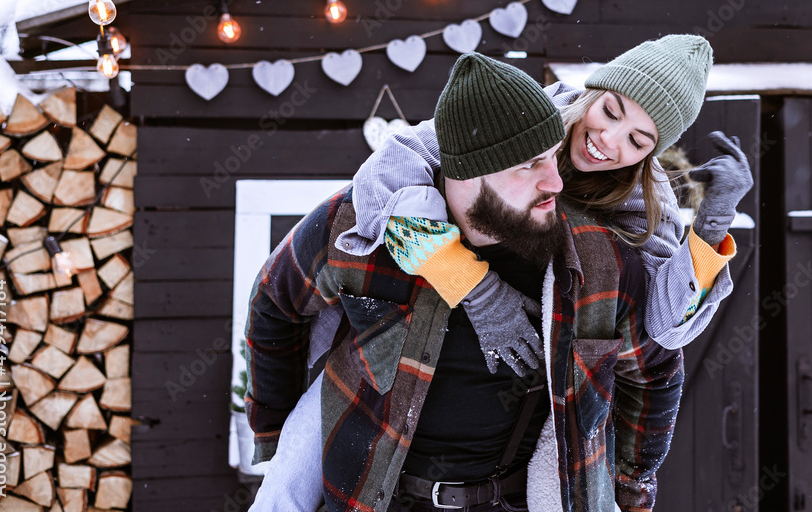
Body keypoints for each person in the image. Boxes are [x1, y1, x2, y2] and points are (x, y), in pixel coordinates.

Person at [245, 52, 684, 511]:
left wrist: (631, 491)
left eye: (553, 157)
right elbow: (276, 301)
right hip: (368, 498)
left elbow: (654, 368)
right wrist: (278, 436)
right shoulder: (363, 227)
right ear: (472, 169)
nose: (557, 182)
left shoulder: (596, 260)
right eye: (531, 164)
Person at [338, 34, 752, 372]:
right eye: (610, 111)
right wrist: (473, 287)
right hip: (424, 330)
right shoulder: (527, 113)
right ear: (595, 90)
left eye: (637, 141)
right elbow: (391, 166)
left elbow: (666, 326)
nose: (608, 140)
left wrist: (713, 222)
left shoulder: (643, 196)